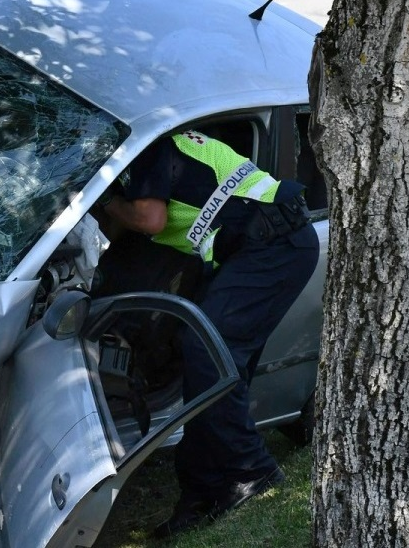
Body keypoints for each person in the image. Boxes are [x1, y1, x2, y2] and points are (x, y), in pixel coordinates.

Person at [99, 129, 320, 538]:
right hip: (263, 244)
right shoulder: (157, 146)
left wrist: (105, 199)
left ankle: (253, 471)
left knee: (208, 354)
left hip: (274, 241)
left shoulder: (149, 144)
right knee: (212, 368)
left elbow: (149, 219)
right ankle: (202, 493)